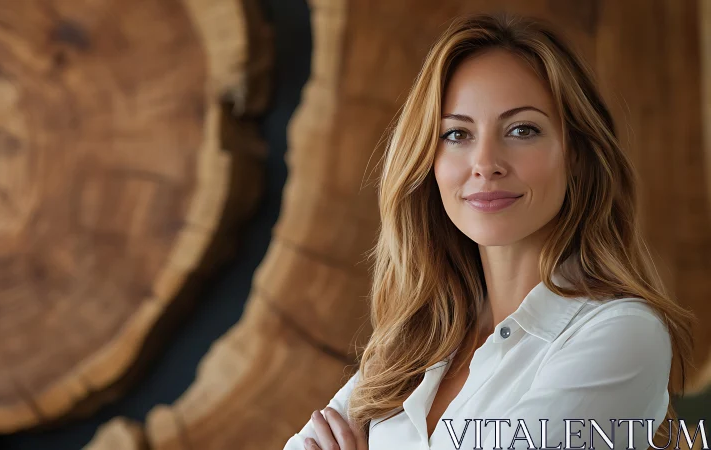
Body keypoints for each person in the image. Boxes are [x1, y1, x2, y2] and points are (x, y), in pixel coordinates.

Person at [282, 11, 696, 450]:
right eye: (457, 134)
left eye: (522, 129)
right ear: (429, 159)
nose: (485, 164)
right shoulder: (410, 347)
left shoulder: (620, 335)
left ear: (575, 154)